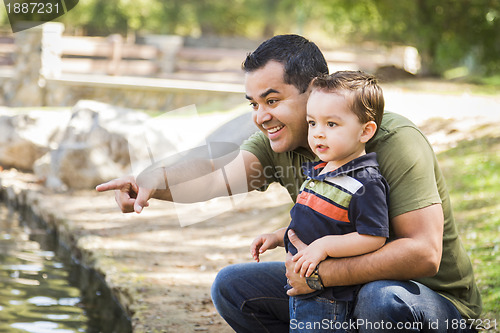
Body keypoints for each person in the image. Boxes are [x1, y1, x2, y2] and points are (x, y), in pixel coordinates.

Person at [96, 34, 482, 332]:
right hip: (338, 293)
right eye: (253, 104)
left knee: (379, 300)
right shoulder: (278, 142)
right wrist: (150, 182)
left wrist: (319, 276)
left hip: (429, 303)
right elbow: (216, 177)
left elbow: (423, 254)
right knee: (232, 287)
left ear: (314, 90)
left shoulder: (390, 140)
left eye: (272, 100)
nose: (261, 116)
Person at [250, 71, 390, 332]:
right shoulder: (319, 171)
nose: (318, 134)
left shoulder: (364, 182)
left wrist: (325, 246)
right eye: (312, 123)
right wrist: (279, 236)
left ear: (365, 131)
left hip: (329, 296)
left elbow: (374, 237)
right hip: (301, 287)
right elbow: (314, 223)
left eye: (331, 124)